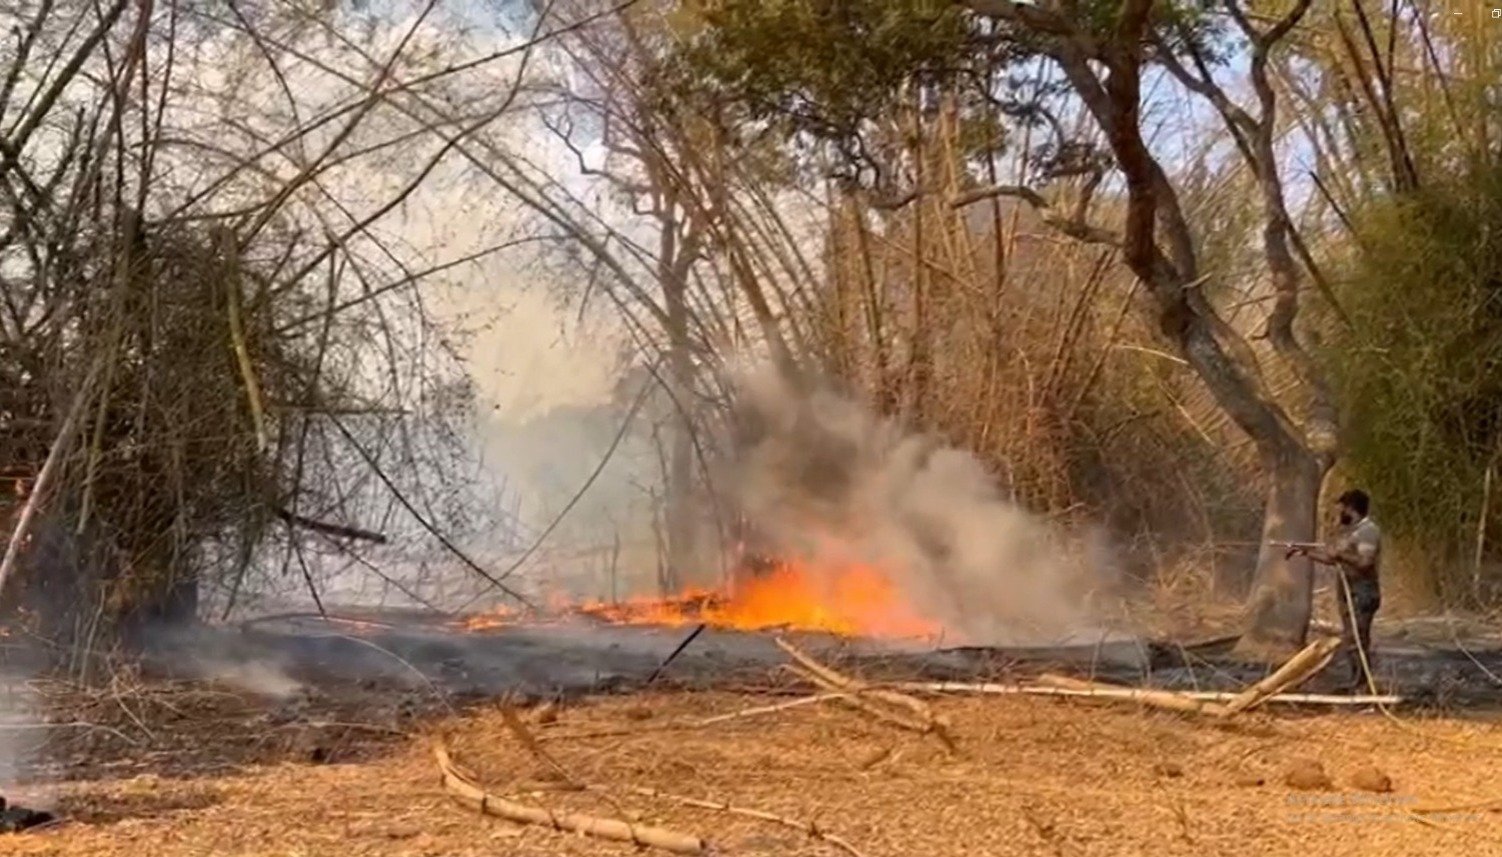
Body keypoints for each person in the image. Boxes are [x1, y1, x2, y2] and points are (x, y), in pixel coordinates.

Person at [1286, 489, 1382, 691]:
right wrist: (1303, 552)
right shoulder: (1353, 532)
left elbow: (1365, 562)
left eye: (1343, 509)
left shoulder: (1368, 531)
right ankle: (1357, 680)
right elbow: (1331, 558)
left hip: (1362, 592)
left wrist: (1340, 554)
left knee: (1357, 637)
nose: (1341, 513)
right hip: (1349, 591)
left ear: (1351, 508)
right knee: (1350, 637)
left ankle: (1363, 684)